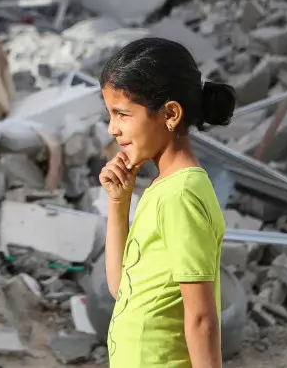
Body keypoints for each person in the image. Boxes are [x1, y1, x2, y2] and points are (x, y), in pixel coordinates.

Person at [98, 36, 236, 368]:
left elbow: (201, 317)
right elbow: (122, 290)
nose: (112, 129)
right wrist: (119, 203)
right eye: (110, 115)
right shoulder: (163, 188)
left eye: (122, 114)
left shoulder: (182, 195)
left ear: (170, 114)